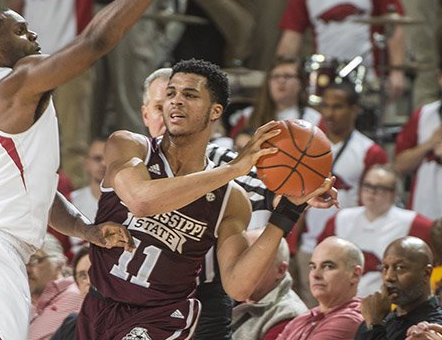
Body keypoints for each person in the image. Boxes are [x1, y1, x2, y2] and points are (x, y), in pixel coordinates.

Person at [0, 0, 204, 339]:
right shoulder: (16, 82)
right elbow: (94, 42)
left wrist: (86, 229)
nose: (34, 34)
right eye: (20, 31)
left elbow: (34, 188)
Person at [78, 59, 336, 339]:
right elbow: (141, 201)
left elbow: (239, 287)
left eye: (189, 95)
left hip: (161, 318)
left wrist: (288, 212)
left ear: (215, 112)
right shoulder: (129, 145)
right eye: (171, 93)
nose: (176, 101)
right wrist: (233, 170)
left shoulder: (230, 197)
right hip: (98, 304)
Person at [9, 0, 107, 188]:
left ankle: (78, 203)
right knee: (28, 139)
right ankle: (28, 194)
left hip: (71, 58)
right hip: (31, 63)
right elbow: (12, 8)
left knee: (74, 141)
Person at [296, 80, 388, 306]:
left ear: (354, 110)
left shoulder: (369, 151)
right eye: (325, 106)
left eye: (337, 107)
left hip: (348, 246)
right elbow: (297, 195)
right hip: (309, 246)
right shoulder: (308, 145)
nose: (329, 113)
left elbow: (374, 205)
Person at [276, 0, 406, 99]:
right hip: (325, 81)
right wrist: (282, 73)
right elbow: (290, 38)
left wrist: (397, 71)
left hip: (369, 79)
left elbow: (393, 27)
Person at [318, 164, 433, 297]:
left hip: (391, 303)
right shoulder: (341, 218)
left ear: (394, 193)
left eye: (380, 188)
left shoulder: (414, 223)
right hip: (341, 299)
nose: (371, 192)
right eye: (367, 186)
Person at [91, 0, 165, 137]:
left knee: (131, 94)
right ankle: (84, 164)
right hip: (89, 9)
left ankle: (136, 157)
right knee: (88, 96)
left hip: (133, 8)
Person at [277, 236, 364, 339]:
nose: (315, 275)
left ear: (355, 275)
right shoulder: (302, 319)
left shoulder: (351, 319)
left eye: (328, 266)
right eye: (313, 267)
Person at [356, 236, 442, 340]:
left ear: (426, 273)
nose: (389, 277)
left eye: (400, 268)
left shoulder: (434, 326)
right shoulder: (380, 317)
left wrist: (374, 325)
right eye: (385, 268)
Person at [232, 228, 308, 340]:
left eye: (252, 262)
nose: (241, 268)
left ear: (280, 270)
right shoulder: (230, 296)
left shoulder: (287, 315)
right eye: (239, 259)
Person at [229, 57, 322, 138]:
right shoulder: (248, 116)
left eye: (288, 76)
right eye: (276, 76)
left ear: (301, 83)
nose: (281, 81)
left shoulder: (314, 119)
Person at [394, 71, 442, 221]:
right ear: (440, 78)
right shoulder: (423, 115)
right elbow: (399, 165)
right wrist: (429, 144)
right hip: (425, 207)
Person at [28, 234, 82, 340]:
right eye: (24, 263)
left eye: (35, 260)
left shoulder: (80, 294)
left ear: (60, 262)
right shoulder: (23, 305)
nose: (27, 269)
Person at [49, 245, 91, 340]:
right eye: (83, 276)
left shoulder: (129, 324)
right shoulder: (72, 324)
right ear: (78, 286)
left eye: (95, 273)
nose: (89, 281)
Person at [70, 138, 107, 223]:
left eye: (109, 159)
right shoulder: (71, 201)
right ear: (86, 162)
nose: (104, 164)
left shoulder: (126, 204)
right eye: (98, 158)